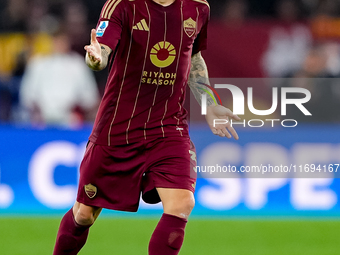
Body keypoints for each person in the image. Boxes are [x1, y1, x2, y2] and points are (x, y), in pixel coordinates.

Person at [53, 0, 239, 254]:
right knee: (84, 215)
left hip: (168, 127)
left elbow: (193, 56)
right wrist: (96, 59)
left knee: (182, 203)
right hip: (118, 128)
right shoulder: (122, 5)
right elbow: (102, 51)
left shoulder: (198, 7)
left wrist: (209, 102)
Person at [20, 29, 99, 128]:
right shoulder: (37, 63)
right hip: (41, 118)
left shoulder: (77, 64)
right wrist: (37, 111)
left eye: (63, 41)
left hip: (70, 118)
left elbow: (90, 97)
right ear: (51, 42)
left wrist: (78, 109)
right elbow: (27, 95)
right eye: (56, 40)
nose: (59, 44)